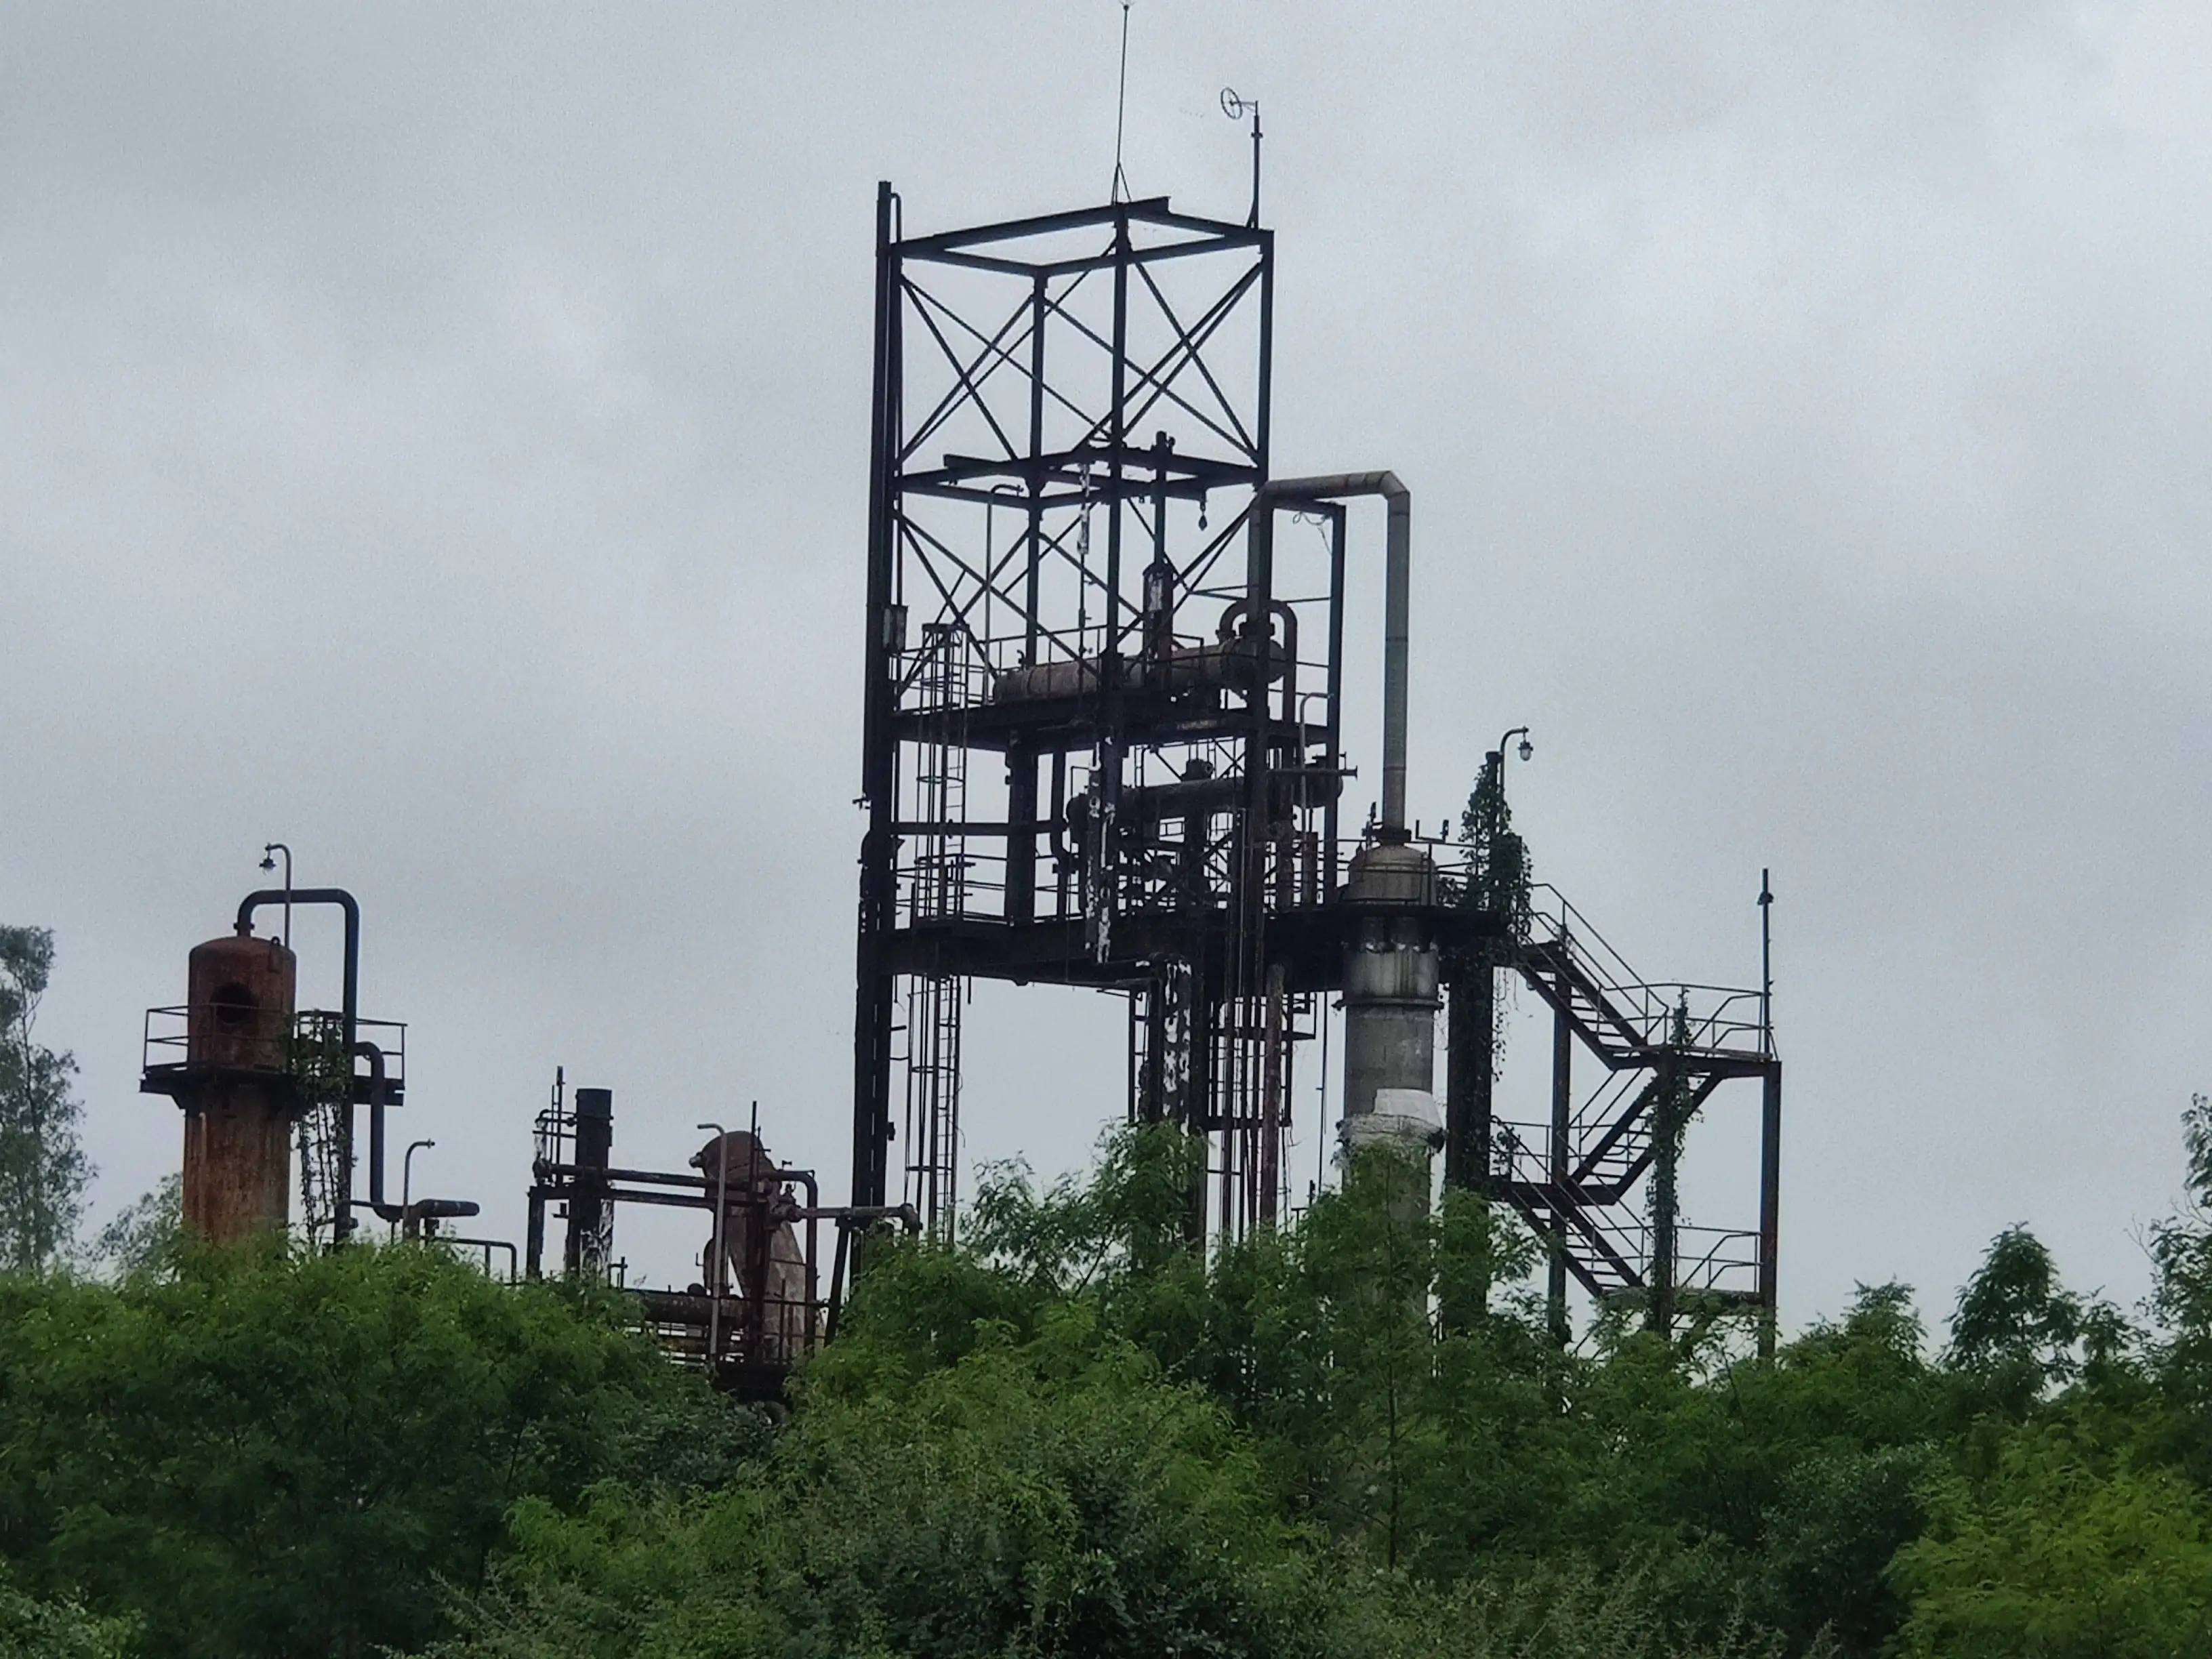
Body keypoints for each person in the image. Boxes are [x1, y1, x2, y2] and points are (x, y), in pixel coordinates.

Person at [689, 1129, 809, 1360]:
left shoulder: (725, 1238)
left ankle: (785, 1349)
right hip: (783, 1349)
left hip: (777, 1351)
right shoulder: (720, 1246)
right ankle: (787, 1349)